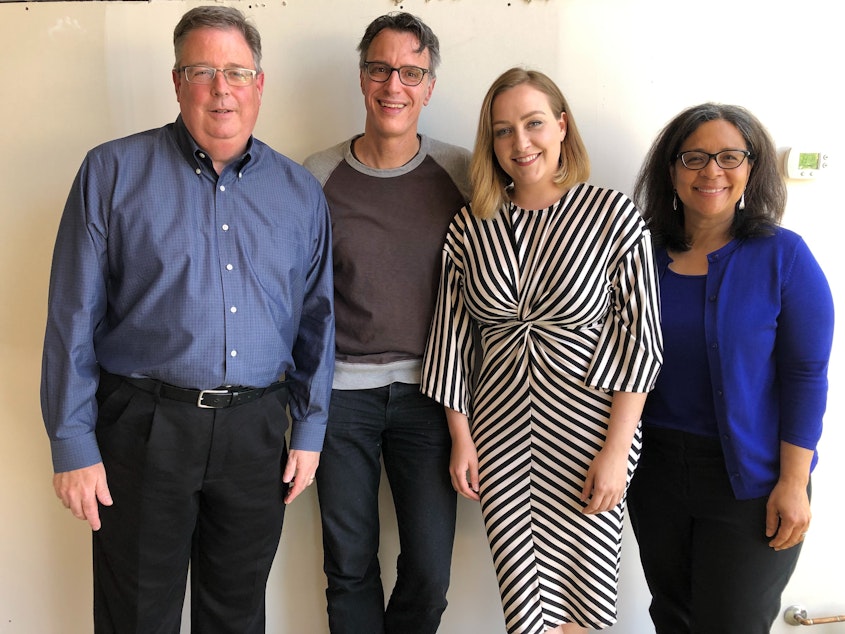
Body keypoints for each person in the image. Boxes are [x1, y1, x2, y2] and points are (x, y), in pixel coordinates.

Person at [40, 6, 335, 632]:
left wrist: (309, 431)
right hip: (143, 428)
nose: (221, 89)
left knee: (236, 615)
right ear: (177, 81)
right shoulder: (111, 172)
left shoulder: (300, 192)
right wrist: (71, 443)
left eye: (236, 71)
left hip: (257, 433)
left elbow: (318, 319)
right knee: (137, 615)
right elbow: (72, 316)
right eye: (203, 70)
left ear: (260, 83)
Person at [421, 67, 663, 634]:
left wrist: (616, 451)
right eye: (503, 131)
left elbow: (640, 340)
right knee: (526, 613)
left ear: (561, 126)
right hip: (500, 440)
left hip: (590, 437)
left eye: (532, 124)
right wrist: (461, 439)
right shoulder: (471, 226)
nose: (520, 143)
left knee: (586, 607)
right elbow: (451, 339)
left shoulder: (613, 215)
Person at [627, 103, 834, 633]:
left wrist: (793, 481)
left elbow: (806, 374)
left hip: (752, 479)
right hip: (656, 474)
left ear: (751, 168)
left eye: (728, 157)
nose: (711, 171)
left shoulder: (783, 256)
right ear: (670, 170)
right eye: (694, 157)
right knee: (673, 617)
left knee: (733, 624)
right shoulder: (639, 255)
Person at [302, 11, 471, 634]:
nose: (392, 85)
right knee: (348, 564)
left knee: (429, 569)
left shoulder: (463, 172)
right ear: (362, 76)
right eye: (379, 68)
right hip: (340, 400)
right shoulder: (316, 175)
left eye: (410, 72)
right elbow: (296, 294)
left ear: (429, 86)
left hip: (435, 398)